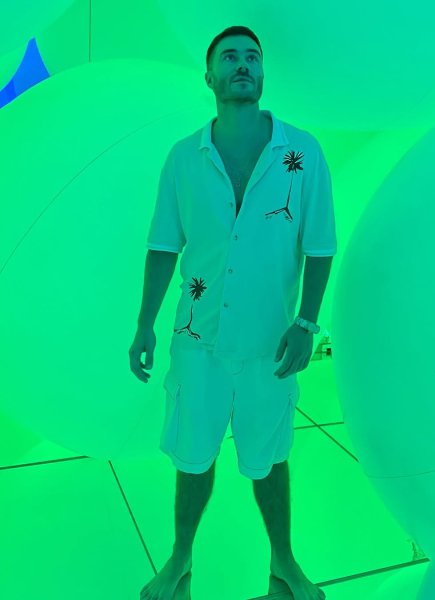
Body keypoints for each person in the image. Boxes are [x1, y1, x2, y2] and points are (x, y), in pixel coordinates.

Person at [130, 25, 334, 600]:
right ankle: (179, 559)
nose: (242, 64)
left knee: (271, 458)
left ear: (262, 74)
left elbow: (320, 245)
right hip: (197, 341)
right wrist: (144, 324)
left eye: (251, 57)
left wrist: (306, 323)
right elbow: (163, 246)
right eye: (229, 57)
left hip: (272, 344)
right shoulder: (183, 158)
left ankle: (284, 562)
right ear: (210, 76)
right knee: (192, 458)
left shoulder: (302, 154)